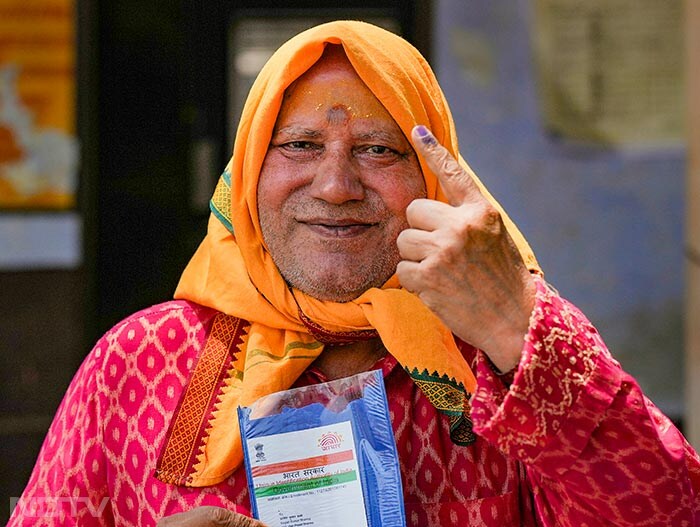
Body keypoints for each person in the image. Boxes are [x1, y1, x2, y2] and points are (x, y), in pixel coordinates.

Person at [8, 20, 700, 527]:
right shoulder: (134, 364)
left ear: (431, 177)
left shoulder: (498, 352)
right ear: (248, 173)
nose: (335, 184)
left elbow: (667, 511)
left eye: (377, 149)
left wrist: (515, 321)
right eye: (301, 144)